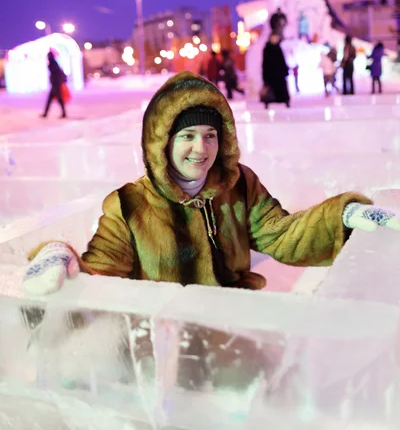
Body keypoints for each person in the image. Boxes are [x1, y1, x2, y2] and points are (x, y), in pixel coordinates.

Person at [24, 71, 400, 296]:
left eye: (210, 135)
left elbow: (281, 234)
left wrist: (344, 215)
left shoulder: (239, 185)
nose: (200, 148)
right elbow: (99, 275)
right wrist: (58, 254)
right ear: (163, 142)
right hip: (166, 348)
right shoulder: (128, 205)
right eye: (187, 135)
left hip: (233, 333)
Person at [262, 33, 290, 108]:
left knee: (282, 90)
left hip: (279, 74)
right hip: (270, 74)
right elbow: (265, 63)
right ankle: (267, 102)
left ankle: (286, 101)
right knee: (270, 90)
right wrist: (265, 76)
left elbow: (282, 61)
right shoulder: (267, 49)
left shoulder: (278, 48)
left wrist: (285, 72)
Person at [41, 51, 67, 118]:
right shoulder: (54, 63)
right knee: (51, 99)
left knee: (58, 99)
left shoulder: (53, 64)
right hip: (55, 84)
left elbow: (55, 73)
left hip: (56, 84)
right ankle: (46, 113)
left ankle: (63, 113)